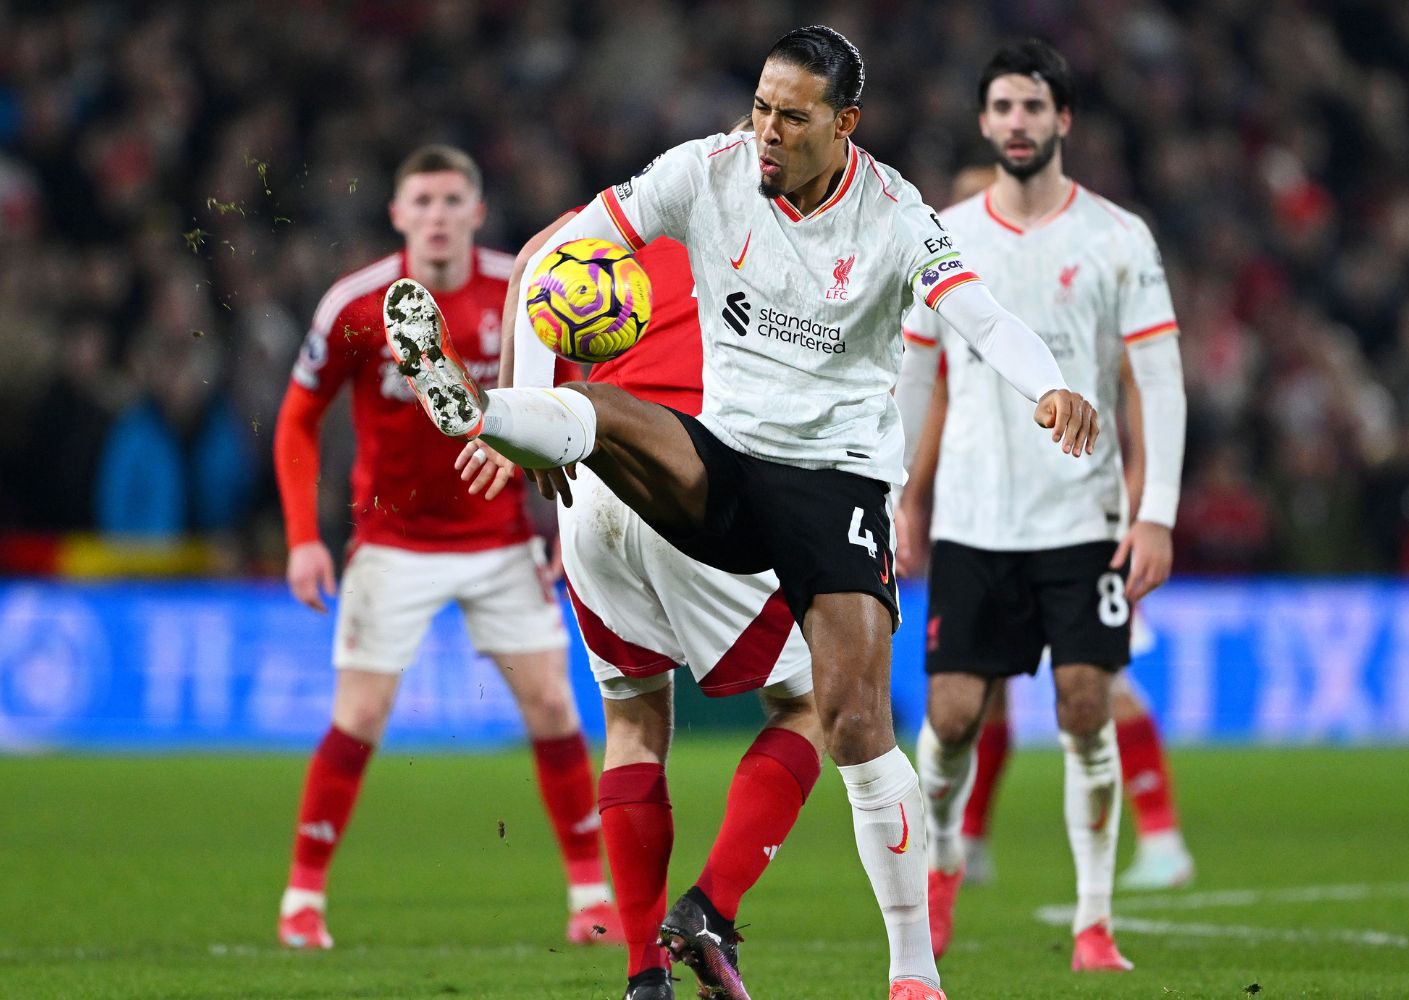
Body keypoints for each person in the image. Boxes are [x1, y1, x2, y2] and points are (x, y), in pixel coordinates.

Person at [385, 27, 1100, 1000]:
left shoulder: (894, 213)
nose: (765, 130)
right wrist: (530, 379)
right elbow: (559, 249)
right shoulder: (704, 172)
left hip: (833, 478)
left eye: (791, 115)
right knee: (610, 415)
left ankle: (911, 974)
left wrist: (1048, 385)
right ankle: (484, 413)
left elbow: (978, 312)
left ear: (843, 124)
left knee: (852, 719)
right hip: (722, 453)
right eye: (760, 106)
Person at [458, 201, 824, 1000]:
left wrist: (531, 407)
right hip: (694, 470)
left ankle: (642, 979)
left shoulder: (614, 221)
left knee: (631, 721)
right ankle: (710, 908)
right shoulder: (787, 230)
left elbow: (531, 261)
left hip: (589, 484)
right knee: (811, 707)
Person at [272, 144, 619, 950]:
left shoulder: (527, 290)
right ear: (397, 215)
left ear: (476, 210)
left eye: (450, 200)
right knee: (359, 714)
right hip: (391, 542)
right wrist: (301, 539)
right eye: (421, 201)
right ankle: (303, 898)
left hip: (500, 539)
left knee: (553, 707)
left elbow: (576, 411)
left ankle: (588, 896)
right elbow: (295, 417)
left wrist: (574, 524)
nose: (436, 214)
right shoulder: (356, 304)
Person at [893, 38, 1187, 972]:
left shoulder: (1117, 237)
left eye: (1034, 107)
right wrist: (903, 496)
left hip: (1084, 521)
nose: (1018, 123)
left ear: (1064, 120)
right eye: (1003, 108)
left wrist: (1157, 512)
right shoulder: (946, 235)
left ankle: (1094, 924)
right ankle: (940, 864)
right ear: (985, 122)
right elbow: (915, 374)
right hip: (974, 522)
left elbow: (1160, 381)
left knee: (1084, 705)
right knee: (947, 721)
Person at [910, 360, 1195, 893]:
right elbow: (941, 398)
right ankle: (970, 841)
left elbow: (1138, 376)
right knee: (985, 684)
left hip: (1077, 518)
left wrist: (1136, 482)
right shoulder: (968, 302)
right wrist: (915, 496)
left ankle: (1162, 837)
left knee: (1100, 679)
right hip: (987, 523)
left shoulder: (1083, 286)